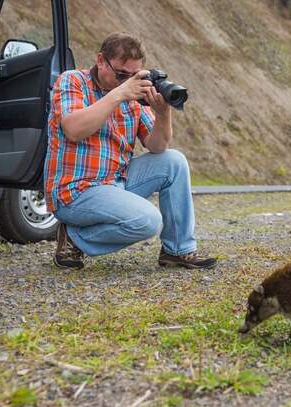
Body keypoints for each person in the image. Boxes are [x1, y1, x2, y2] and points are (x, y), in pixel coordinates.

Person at [43, 32, 216, 270]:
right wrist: (120, 93)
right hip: (75, 191)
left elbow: (157, 145)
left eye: (134, 75)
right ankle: (75, 238)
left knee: (174, 161)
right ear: (101, 60)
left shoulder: (133, 95)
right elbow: (73, 129)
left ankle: (177, 250)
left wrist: (163, 113)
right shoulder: (72, 81)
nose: (127, 81)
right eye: (121, 74)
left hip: (116, 182)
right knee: (148, 222)